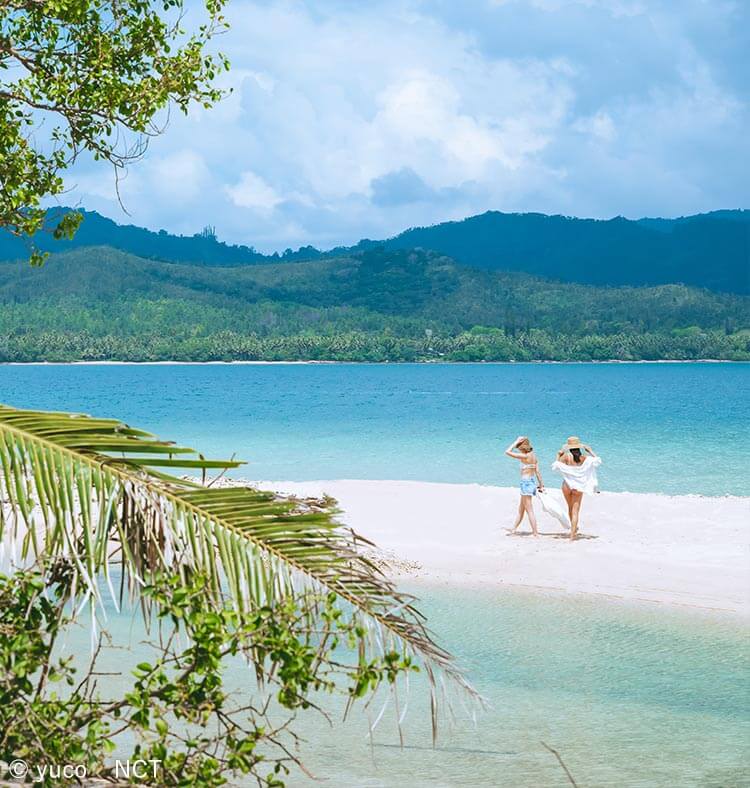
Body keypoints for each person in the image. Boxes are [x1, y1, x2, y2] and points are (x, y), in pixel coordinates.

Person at [552, 436, 601, 541]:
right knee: (575, 511)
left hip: (566, 486)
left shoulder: (566, 457)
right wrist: (590, 450)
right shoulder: (584, 458)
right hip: (578, 487)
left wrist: (558, 455)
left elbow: (555, 466)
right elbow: (598, 461)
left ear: (569, 448)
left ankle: (573, 530)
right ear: (579, 447)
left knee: (570, 508)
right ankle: (572, 535)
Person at [505, 435, 544, 537]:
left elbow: (507, 452)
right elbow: (537, 472)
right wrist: (541, 485)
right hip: (531, 482)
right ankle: (514, 529)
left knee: (529, 510)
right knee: (521, 509)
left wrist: (515, 441)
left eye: (519, 448)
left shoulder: (525, 456)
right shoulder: (534, 456)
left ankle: (535, 533)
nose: (518, 450)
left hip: (526, 483)